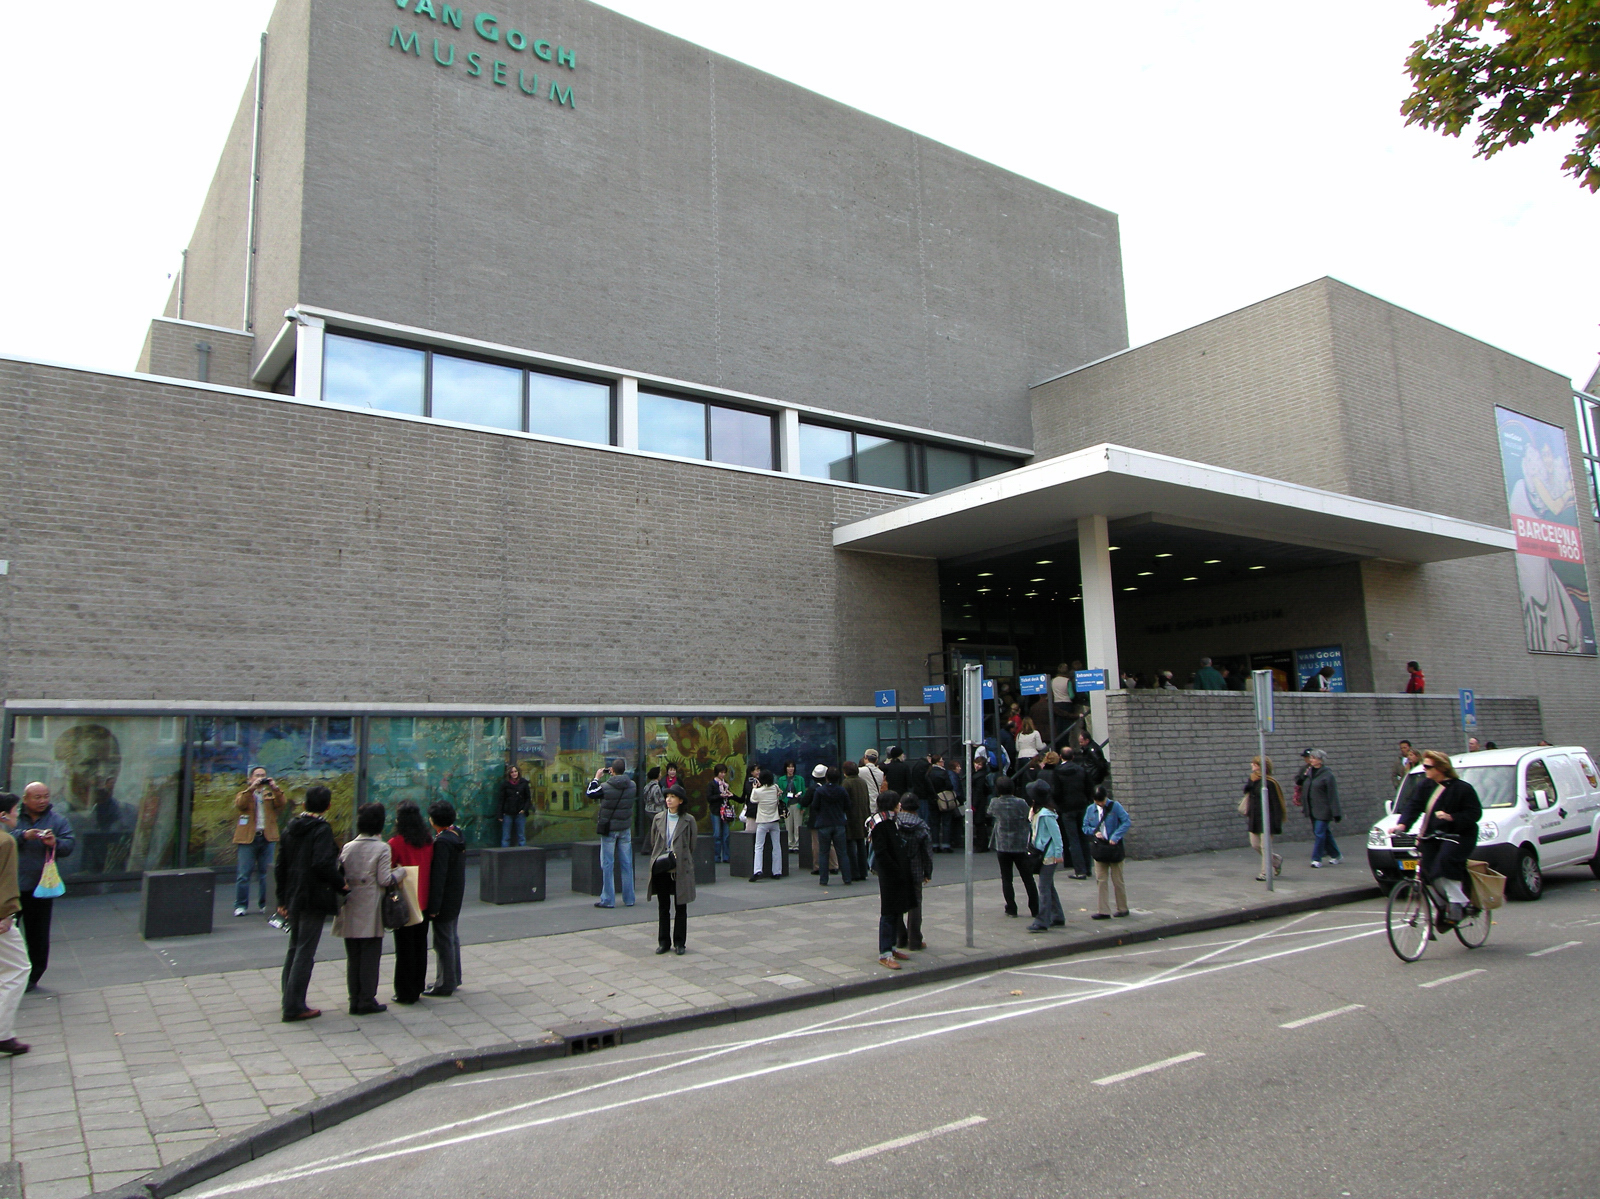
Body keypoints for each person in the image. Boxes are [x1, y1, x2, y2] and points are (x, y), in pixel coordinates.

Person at [275, 784, 345, 1022]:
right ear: (328, 806)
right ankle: (294, 1005)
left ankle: (288, 997)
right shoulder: (321, 830)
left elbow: (280, 866)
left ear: (304, 804)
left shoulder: (290, 828)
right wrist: (341, 884)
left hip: (294, 894)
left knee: (295, 947)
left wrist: (282, 898)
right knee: (305, 950)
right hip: (313, 896)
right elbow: (322, 863)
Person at [1392, 751, 1482, 923]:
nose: (1424, 769)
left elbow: (1474, 813)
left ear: (1441, 768)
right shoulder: (1425, 786)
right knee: (1427, 870)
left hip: (1459, 835)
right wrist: (1402, 824)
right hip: (1433, 834)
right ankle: (1441, 904)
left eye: (1428, 766)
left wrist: (1451, 817)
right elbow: (1413, 806)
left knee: (1445, 862)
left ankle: (1458, 902)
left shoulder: (1462, 788)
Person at [335, 803, 404, 1015]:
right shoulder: (382, 848)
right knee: (370, 956)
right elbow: (384, 879)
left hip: (350, 904)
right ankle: (366, 999)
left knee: (353, 957)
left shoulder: (348, 847)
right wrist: (400, 873)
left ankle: (353, 998)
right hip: (370, 905)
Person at [14, 782, 75, 992]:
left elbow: (69, 844)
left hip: (40, 887)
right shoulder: (13, 818)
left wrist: (54, 842)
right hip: (12, 887)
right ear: (25, 799)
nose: (42, 801)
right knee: (9, 933)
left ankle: (33, 976)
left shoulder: (57, 820)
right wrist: (24, 836)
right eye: (37, 797)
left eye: (46, 796)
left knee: (38, 934)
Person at [387, 800, 433, 1006]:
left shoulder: (395, 843)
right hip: (424, 899)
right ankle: (418, 985)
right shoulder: (428, 841)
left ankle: (405, 991)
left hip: (405, 901)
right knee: (420, 945)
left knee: (404, 948)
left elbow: (389, 871)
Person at [645, 785, 696, 954]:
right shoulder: (659, 818)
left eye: (673, 797)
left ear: (680, 801)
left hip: (680, 867)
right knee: (663, 906)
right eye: (667, 796)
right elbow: (654, 841)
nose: (669, 799)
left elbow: (692, 844)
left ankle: (680, 943)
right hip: (662, 866)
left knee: (680, 906)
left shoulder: (688, 820)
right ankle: (664, 942)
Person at [424, 801, 467, 997]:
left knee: (442, 941)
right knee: (452, 937)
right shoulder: (457, 834)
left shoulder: (442, 843)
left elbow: (439, 876)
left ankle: (445, 982)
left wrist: (433, 906)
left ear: (434, 821)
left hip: (444, 899)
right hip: (455, 895)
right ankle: (454, 977)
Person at [232, 766, 287, 917]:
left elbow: (282, 803)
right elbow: (240, 804)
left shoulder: (269, 794)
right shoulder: (244, 793)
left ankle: (264, 903)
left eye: (263, 775)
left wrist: (275, 788)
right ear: (250, 778)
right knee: (244, 874)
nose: (260, 778)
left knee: (266, 873)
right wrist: (251, 788)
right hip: (248, 838)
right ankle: (241, 905)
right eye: (257, 775)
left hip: (267, 836)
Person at [0, 794, 31, 1055]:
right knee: (18, 967)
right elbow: (6, 882)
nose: (17, 815)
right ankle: (2, 1033)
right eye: (14, 810)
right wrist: (6, 913)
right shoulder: (5, 841)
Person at [870, 793, 914, 970]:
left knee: (897, 910)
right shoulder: (880, 824)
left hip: (898, 872)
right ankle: (885, 953)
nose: (900, 805)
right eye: (897, 802)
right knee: (888, 912)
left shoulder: (892, 821)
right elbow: (881, 853)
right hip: (890, 875)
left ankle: (892, 946)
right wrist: (895, 869)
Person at [985, 775, 1038, 919]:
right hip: (1020, 843)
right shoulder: (1020, 802)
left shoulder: (995, 802)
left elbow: (989, 813)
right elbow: (1028, 815)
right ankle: (1035, 907)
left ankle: (1011, 907)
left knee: (1006, 878)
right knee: (1028, 877)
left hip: (1003, 844)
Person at [594, 759, 637, 909]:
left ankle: (608, 899)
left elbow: (590, 793)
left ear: (611, 770)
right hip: (625, 827)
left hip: (609, 829)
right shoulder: (632, 785)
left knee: (607, 864)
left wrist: (596, 778)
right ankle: (629, 898)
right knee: (626, 863)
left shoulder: (605, 787)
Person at [1084, 786, 1130, 919]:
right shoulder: (1090, 810)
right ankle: (1103, 910)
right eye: (1098, 802)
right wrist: (1094, 832)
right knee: (1101, 879)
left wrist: (1116, 836)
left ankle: (1122, 908)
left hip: (1114, 847)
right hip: (1100, 847)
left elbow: (1126, 821)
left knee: (1117, 880)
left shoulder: (1115, 807)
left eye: (1102, 801)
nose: (1100, 804)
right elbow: (1085, 826)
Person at [894, 794, 933, 951]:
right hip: (915, 869)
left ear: (901, 805)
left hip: (897, 868)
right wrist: (927, 872)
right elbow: (927, 853)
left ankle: (900, 937)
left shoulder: (894, 823)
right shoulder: (922, 826)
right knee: (915, 905)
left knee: (896, 903)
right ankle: (915, 939)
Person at [1026, 782, 1064, 932]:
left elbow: (1057, 836)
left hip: (1049, 856)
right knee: (1048, 886)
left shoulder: (1047, 815)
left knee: (1043, 887)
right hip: (1042, 854)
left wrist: (1059, 854)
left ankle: (1042, 920)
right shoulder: (1038, 813)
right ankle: (1057, 916)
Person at [1052, 747, 1094, 879]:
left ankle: (1080, 870)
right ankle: (1088, 867)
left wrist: (1059, 805)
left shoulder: (1058, 771)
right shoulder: (1081, 770)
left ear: (1061, 756)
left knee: (1073, 839)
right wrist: (1087, 800)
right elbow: (1089, 788)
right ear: (1073, 757)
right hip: (1081, 805)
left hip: (1067, 808)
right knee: (1083, 837)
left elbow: (1056, 792)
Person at [1241, 756, 1285, 880]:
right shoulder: (1252, 779)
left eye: (1254, 764)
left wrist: (1276, 822)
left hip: (1267, 818)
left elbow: (1276, 804)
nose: (1251, 765)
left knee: (1265, 847)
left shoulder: (1269, 783)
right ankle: (1276, 860)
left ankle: (1265, 873)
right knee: (1255, 844)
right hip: (1254, 817)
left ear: (1261, 766)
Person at [810, 768, 853, 886]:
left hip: (824, 823)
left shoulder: (820, 791)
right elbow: (848, 805)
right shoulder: (842, 790)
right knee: (842, 853)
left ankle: (823, 879)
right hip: (839, 822)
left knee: (823, 852)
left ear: (826, 777)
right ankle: (847, 878)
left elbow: (815, 806)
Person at [1301, 749, 1343, 867]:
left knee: (1319, 833)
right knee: (1325, 833)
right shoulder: (1309, 773)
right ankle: (1336, 855)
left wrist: (1336, 812)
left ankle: (1316, 859)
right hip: (1312, 808)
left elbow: (1332, 795)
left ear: (1320, 760)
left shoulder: (1327, 775)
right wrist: (1303, 776)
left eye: (1314, 758)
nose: (1311, 760)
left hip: (1324, 809)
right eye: (1311, 758)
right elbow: (1302, 785)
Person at [748, 769, 785, 880]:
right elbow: (779, 793)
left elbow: (752, 800)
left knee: (759, 847)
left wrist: (755, 788)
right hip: (774, 821)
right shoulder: (775, 787)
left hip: (763, 821)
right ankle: (777, 871)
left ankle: (758, 870)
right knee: (776, 846)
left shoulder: (758, 791)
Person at [841, 762, 871, 881]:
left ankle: (854, 872)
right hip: (863, 816)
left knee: (850, 846)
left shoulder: (846, 783)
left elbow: (844, 802)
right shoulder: (862, 782)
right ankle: (863, 871)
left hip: (851, 817)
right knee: (861, 844)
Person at [924, 752, 955, 853]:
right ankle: (946, 845)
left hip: (933, 800)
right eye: (941, 761)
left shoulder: (928, 773)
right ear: (938, 762)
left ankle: (935, 845)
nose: (943, 763)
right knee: (946, 822)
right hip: (944, 800)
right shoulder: (943, 773)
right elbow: (949, 786)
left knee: (934, 823)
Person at [706, 764, 734, 864]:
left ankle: (726, 856)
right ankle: (716, 856)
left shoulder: (725, 784)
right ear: (717, 773)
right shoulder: (712, 784)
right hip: (716, 810)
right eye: (721, 772)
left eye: (724, 773)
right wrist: (720, 795)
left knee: (726, 834)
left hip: (725, 811)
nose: (723, 774)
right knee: (717, 834)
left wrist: (728, 795)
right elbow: (709, 798)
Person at [499, 765, 532, 847]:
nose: (514, 773)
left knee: (521, 836)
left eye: (515, 771)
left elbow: (528, 798)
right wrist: (500, 814)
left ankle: (522, 853)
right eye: (512, 772)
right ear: (509, 774)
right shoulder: (505, 784)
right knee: (506, 836)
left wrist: (524, 810)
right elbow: (501, 800)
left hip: (520, 813)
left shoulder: (523, 783)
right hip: (508, 813)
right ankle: (504, 853)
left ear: (518, 772)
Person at [777, 761, 807, 850]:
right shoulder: (781, 779)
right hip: (787, 804)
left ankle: (797, 844)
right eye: (789, 767)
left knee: (797, 825)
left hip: (797, 804)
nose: (791, 769)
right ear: (786, 768)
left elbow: (803, 793)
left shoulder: (800, 779)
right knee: (788, 826)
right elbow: (780, 793)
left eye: (792, 767)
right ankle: (790, 844)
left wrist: (803, 806)